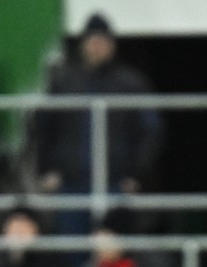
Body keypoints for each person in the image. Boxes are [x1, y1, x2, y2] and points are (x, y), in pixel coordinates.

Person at [34, 12, 162, 240]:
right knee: (72, 250)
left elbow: (150, 132)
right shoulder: (64, 82)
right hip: (71, 183)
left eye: (102, 42)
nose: (97, 47)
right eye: (92, 41)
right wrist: (46, 169)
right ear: (83, 45)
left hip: (115, 183)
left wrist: (135, 175)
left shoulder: (131, 83)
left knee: (113, 251)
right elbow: (43, 126)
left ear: (112, 45)